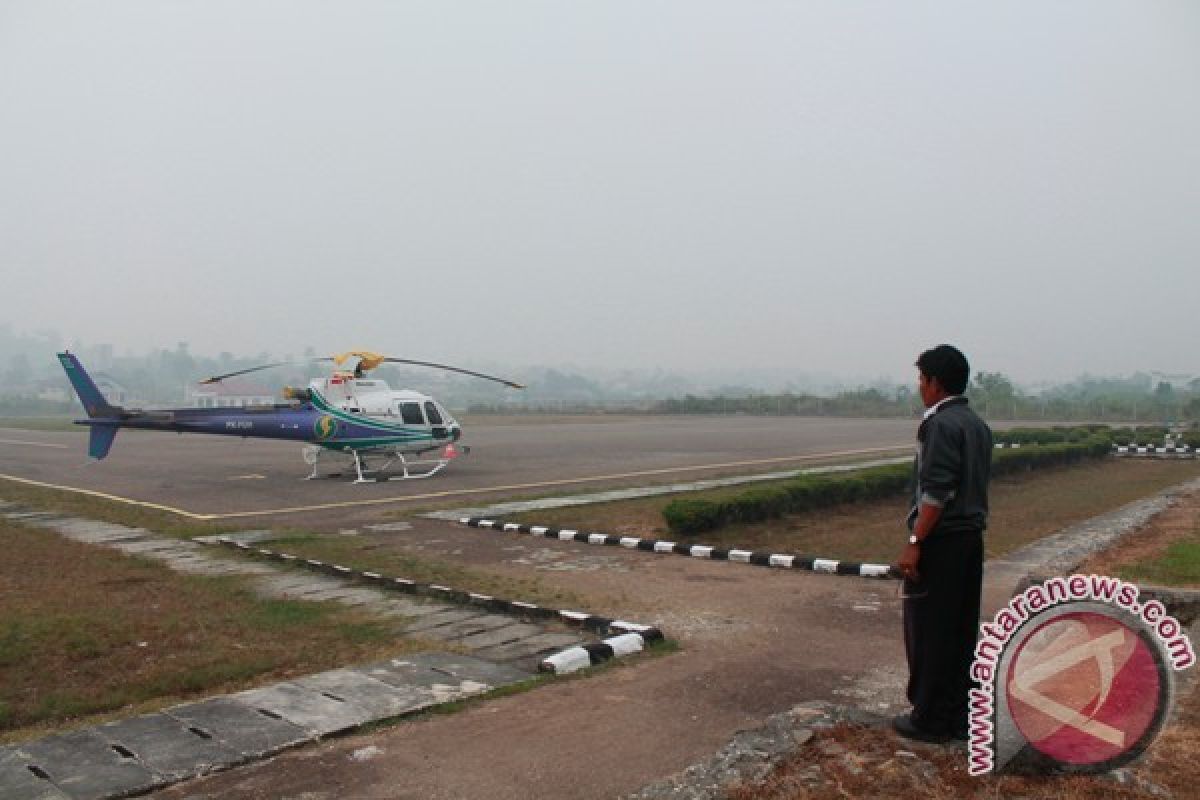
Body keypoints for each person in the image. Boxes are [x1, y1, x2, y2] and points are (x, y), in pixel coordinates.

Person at [893, 344, 992, 743]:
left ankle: (930, 718)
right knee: (959, 631)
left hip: (943, 541)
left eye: (921, 379)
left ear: (935, 382)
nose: (920, 387)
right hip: (970, 540)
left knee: (930, 629)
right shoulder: (977, 425)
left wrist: (915, 540)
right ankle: (959, 716)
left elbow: (936, 493)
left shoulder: (940, 425)